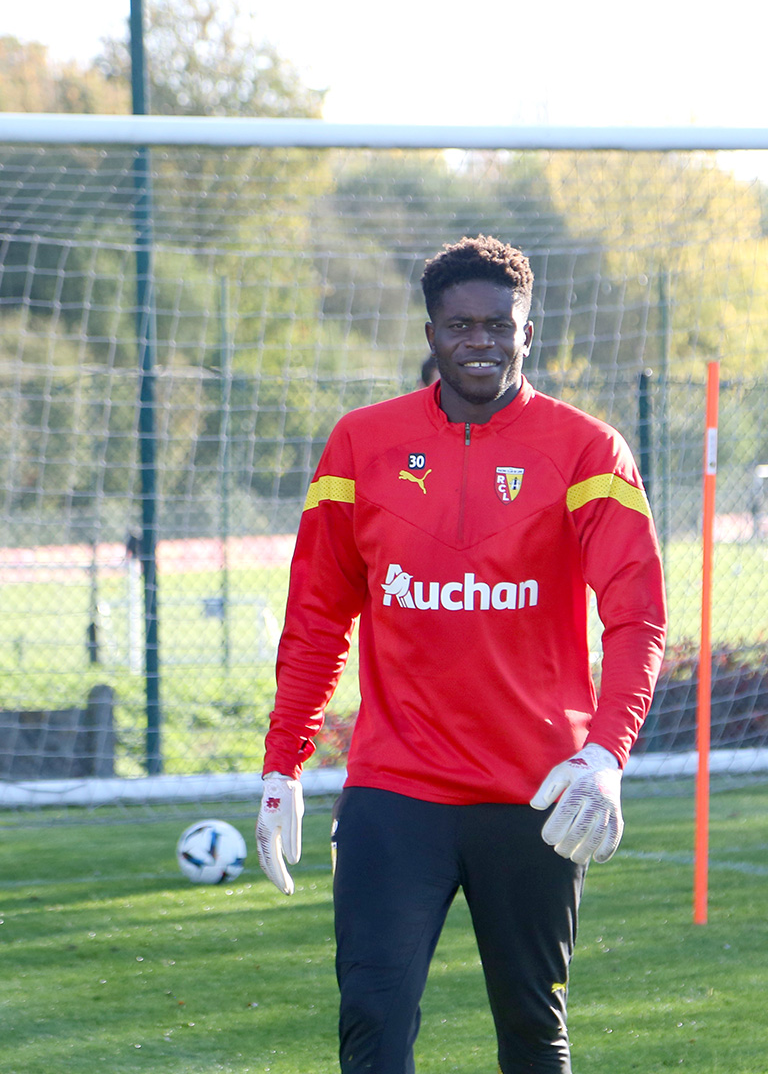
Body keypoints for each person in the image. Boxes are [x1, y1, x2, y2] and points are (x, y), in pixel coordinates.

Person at [256, 236, 667, 1074]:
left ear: (527, 329)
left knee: (530, 1031)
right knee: (372, 1019)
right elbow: (315, 620)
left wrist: (606, 756)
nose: (478, 339)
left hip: (536, 792)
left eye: (496, 323)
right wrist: (281, 764)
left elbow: (636, 617)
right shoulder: (360, 445)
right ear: (432, 332)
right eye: (458, 324)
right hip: (395, 789)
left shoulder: (587, 449)